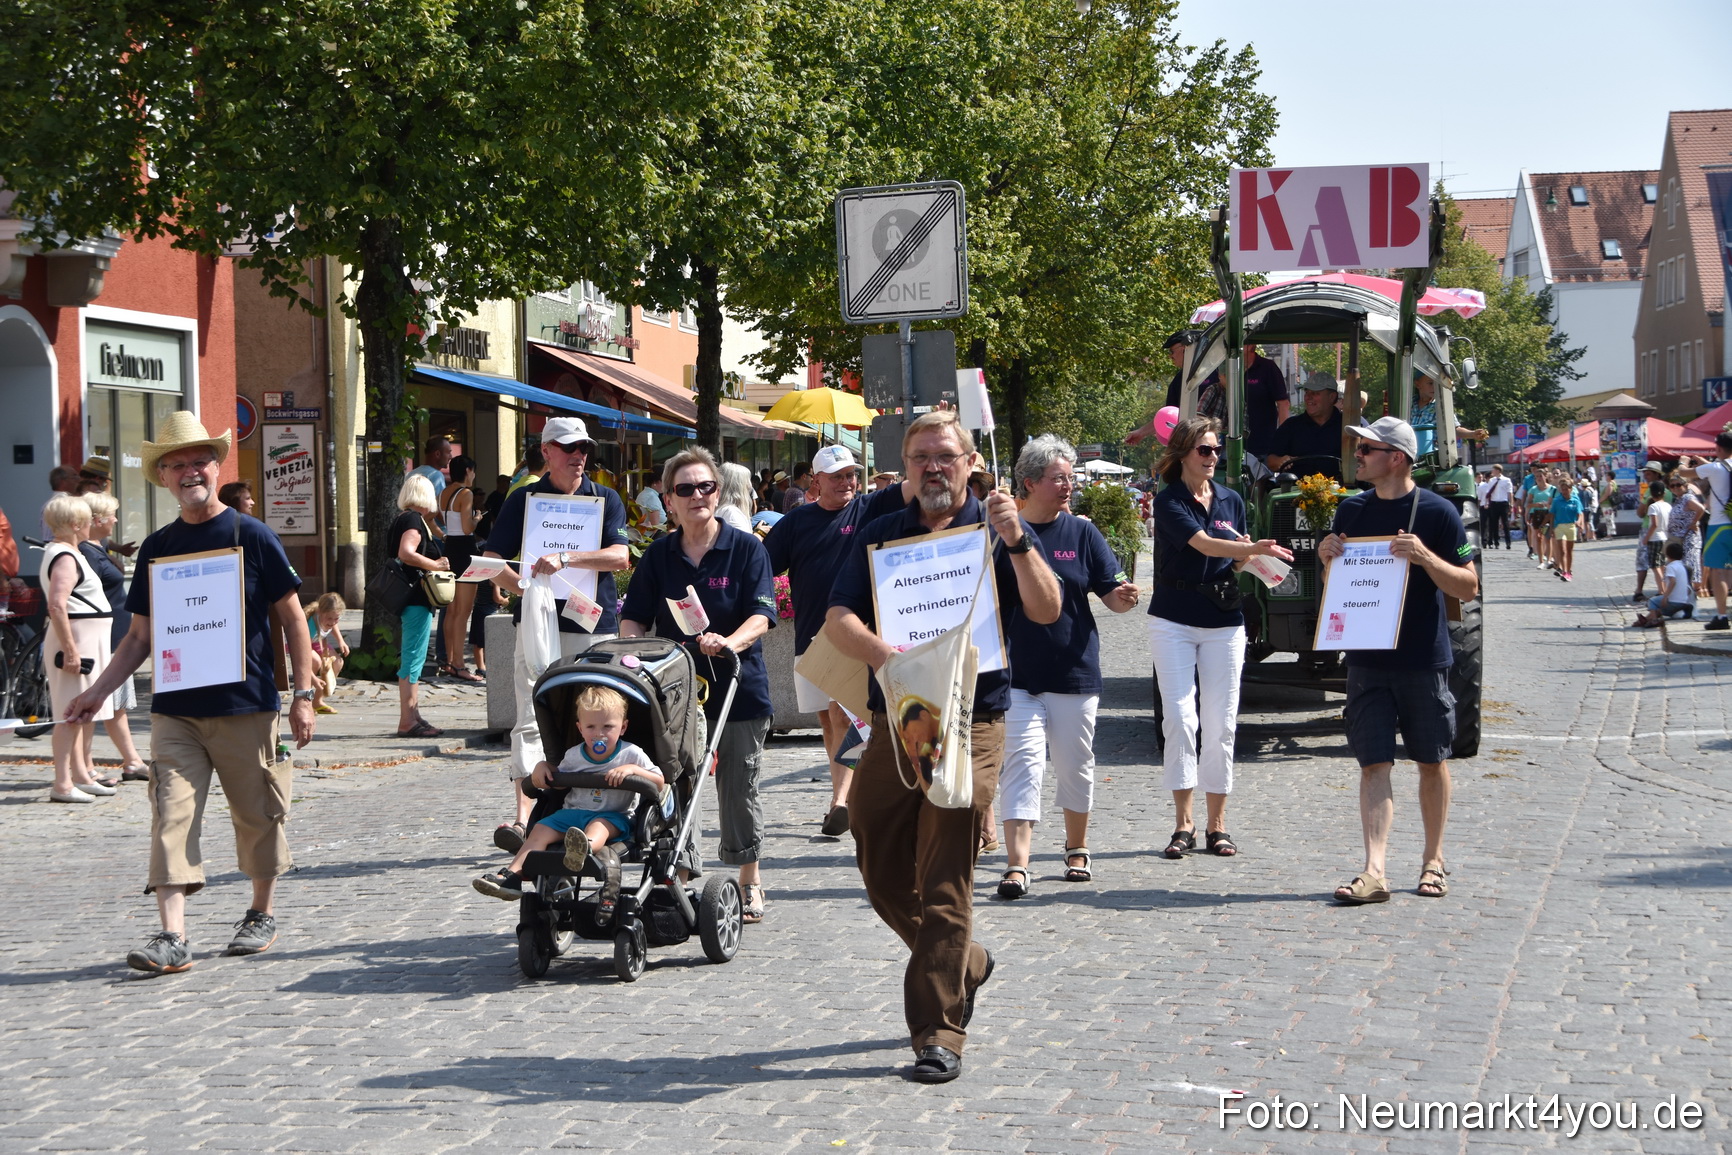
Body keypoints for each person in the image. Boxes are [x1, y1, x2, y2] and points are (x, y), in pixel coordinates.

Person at [825, 409, 1062, 1084]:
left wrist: (1019, 539)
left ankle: (938, 1031)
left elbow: (1046, 609)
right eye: (922, 456)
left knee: (945, 871)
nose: (935, 467)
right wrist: (885, 656)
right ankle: (967, 960)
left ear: (968, 463)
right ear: (907, 467)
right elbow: (838, 616)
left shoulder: (996, 531)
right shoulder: (880, 533)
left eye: (946, 456)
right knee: (875, 851)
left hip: (971, 719)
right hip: (902, 716)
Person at [66, 411, 317, 973]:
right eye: (175, 464)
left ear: (216, 463)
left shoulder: (251, 534)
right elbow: (137, 640)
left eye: (198, 460)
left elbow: (295, 620)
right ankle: (171, 935)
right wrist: (96, 693)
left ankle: (259, 912)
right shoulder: (158, 547)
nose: (188, 471)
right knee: (170, 814)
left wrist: (303, 694)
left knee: (257, 814)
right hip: (176, 710)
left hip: (245, 704)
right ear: (163, 477)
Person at [1320, 417, 1477, 906]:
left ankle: (1433, 859)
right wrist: (1327, 561)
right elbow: (1335, 592)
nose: (1358, 454)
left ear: (1397, 457)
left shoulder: (1439, 511)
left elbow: (1468, 587)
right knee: (1374, 764)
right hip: (1366, 660)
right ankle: (1375, 871)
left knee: (1431, 761)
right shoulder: (1350, 510)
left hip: (1422, 658)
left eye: (1367, 448)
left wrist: (1427, 558)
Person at [621, 447, 777, 922]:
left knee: (738, 786)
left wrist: (728, 641)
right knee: (678, 782)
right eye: (685, 489)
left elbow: (763, 614)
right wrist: (631, 656)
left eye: (705, 487)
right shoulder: (659, 556)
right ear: (669, 500)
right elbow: (633, 619)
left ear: (717, 492)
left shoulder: (746, 547)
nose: (697, 496)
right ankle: (681, 875)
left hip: (738, 687)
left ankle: (748, 881)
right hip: (676, 691)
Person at [994, 435, 1139, 899]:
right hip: (1016, 674)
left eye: (1070, 478)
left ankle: (1077, 847)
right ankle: (1018, 864)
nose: (1068, 486)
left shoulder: (1082, 533)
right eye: (1059, 478)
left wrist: (1123, 596)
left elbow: (1112, 593)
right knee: (1022, 764)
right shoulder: (1003, 534)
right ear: (1030, 482)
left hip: (1073, 670)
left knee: (1075, 765)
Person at [483, 417, 629, 852]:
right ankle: (522, 817)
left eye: (583, 447)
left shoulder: (604, 499)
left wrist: (567, 558)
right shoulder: (523, 500)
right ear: (546, 451)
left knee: (595, 709)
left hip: (591, 624)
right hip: (538, 623)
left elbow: (620, 557)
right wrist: (526, 588)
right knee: (532, 709)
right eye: (568, 448)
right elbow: (492, 559)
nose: (579, 456)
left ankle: (595, 806)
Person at [1149, 417, 1292, 860]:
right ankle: (1183, 823)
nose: (1212, 459)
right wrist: (1251, 550)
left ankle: (1217, 825)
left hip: (1224, 619)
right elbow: (1204, 545)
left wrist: (1251, 561)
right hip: (1173, 618)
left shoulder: (1232, 499)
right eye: (1204, 451)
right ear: (1182, 455)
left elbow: (1227, 560)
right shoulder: (1169, 500)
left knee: (1222, 724)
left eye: (1216, 451)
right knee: (1179, 720)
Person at [763, 444, 907, 837]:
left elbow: (912, 488)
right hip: (810, 635)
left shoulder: (870, 508)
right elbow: (763, 564)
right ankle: (845, 792)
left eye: (851, 475)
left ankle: (841, 801)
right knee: (828, 720)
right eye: (838, 475)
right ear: (816, 480)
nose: (847, 482)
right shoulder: (795, 523)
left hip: (856, 633)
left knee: (844, 715)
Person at [472, 685, 662, 922]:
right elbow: (559, 780)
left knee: (599, 828)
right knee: (540, 829)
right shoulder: (574, 755)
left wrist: (633, 771)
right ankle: (512, 876)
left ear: (622, 727)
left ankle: (582, 848)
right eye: (591, 727)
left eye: (607, 727)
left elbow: (659, 781)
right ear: (580, 728)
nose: (599, 734)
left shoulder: (631, 754)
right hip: (574, 813)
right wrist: (543, 768)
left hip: (613, 815)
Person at [40, 493, 115, 803]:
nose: (91, 526)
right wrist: (71, 651)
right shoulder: (65, 556)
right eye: (87, 521)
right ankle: (62, 782)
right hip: (78, 642)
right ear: (75, 524)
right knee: (70, 714)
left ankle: (81, 775)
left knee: (81, 714)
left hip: (85, 640)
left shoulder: (68, 552)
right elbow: (57, 605)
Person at [78, 492, 148, 781]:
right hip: (101, 640)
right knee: (95, 706)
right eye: (111, 515)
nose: (116, 519)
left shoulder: (98, 546)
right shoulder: (85, 551)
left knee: (116, 705)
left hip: (116, 638)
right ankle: (85, 768)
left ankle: (131, 761)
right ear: (97, 520)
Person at [389, 473, 451, 737]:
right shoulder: (413, 519)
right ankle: (407, 721)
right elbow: (406, 552)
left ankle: (414, 715)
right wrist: (435, 565)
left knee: (413, 656)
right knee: (413, 659)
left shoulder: (403, 518)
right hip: (416, 598)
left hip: (410, 597)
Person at [436, 454, 484, 683]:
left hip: (449, 547)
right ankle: (459, 664)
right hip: (464, 549)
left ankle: (449, 661)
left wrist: (442, 534)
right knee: (463, 612)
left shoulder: (444, 493)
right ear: (467, 471)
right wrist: (476, 518)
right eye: (473, 471)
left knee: (452, 611)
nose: (474, 475)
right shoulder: (466, 493)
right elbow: (467, 529)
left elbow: (429, 518)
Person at [1678, 433, 1732, 631]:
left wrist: (1682, 461)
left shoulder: (1714, 468)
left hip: (1720, 526)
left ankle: (1721, 616)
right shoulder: (1718, 466)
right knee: (1730, 569)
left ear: (1718, 449)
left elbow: (1684, 473)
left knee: (1719, 571)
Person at [1124, 330, 1199, 445]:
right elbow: (1170, 416)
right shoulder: (1179, 380)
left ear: (1185, 348)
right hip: (1192, 443)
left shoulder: (1215, 371)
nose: (1170, 356)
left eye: (1172, 351)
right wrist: (1141, 432)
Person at [1265, 371, 1344, 479]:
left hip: (1340, 491)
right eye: (1307, 392)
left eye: (1315, 393)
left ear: (1332, 397)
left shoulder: (1348, 426)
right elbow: (1271, 461)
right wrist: (1280, 461)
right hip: (1296, 491)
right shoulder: (1291, 426)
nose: (1308, 397)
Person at [1661, 471, 1705, 599]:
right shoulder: (1679, 499)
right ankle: (1684, 594)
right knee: (1681, 567)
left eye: (1678, 484)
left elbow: (1701, 509)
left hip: (1688, 539)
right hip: (1679, 538)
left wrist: (1694, 522)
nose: (1675, 488)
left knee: (1689, 566)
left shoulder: (1687, 498)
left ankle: (1689, 595)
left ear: (1685, 485)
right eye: (1672, 486)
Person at [1634, 541, 1696, 627]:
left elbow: (1673, 582)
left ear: (1667, 555)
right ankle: (1644, 620)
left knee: (1652, 601)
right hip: (1684, 601)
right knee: (1657, 609)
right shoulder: (1682, 566)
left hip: (1673, 602)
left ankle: (1654, 620)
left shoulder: (1671, 567)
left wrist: (1665, 596)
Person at [305, 592, 349, 714]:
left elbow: (334, 626)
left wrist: (341, 641)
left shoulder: (331, 620)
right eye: (329, 618)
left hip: (317, 641)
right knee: (315, 662)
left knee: (338, 662)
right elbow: (303, 657)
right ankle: (305, 700)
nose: (332, 622)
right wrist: (314, 679)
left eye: (336, 618)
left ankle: (318, 700)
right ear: (320, 612)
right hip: (302, 644)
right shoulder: (311, 625)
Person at [1633, 477, 1670, 603]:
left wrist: (1646, 538)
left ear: (1650, 493)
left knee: (1655, 566)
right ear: (1664, 493)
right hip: (1665, 537)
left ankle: (1661, 590)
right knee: (1663, 565)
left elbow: (1654, 524)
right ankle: (1665, 588)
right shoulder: (1668, 506)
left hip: (1655, 538)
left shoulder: (1653, 507)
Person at [1549, 475, 1583, 581]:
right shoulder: (1557, 500)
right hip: (1559, 527)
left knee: (1569, 551)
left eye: (1566, 489)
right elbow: (1552, 514)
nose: (1564, 491)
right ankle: (1564, 571)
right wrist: (1551, 528)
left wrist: (1579, 521)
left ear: (1571, 489)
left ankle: (1569, 571)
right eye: (1562, 489)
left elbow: (1580, 513)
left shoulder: (1575, 500)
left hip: (1571, 526)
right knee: (1562, 550)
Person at [1525, 468, 1556, 570]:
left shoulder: (1552, 489)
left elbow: (1555, 502)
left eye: (1540, 476)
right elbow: (1528, 504)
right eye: (1536, 477)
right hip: (1537, 514)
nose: (1538, 478)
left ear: (1545, 476)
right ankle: (1541, 561)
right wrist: (1536, 505)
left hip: (1548, 514)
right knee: (1539, 537)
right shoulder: (1533, 489)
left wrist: (1549, 505)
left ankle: (1549, 559)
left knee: (1548, 537)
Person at [717, 462, 756, 533]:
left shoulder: (722, 510)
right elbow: (744, 543)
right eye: (747, 481)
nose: (750, 486)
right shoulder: (732, 513)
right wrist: (760, 532)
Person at [1482, 465, 1513, 550]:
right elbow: (1488, 493)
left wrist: (1511, 504)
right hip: (1494, 503)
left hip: (1503, 503)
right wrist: (1486, 503)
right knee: (1493, 524)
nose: (1492, 472)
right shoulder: (1491, 480)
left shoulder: (1506, 480)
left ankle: (1508, 542)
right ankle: (1495, 542)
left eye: (1494, 470)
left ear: (1498, 471)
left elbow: (1509, 492)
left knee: (1505, 523)